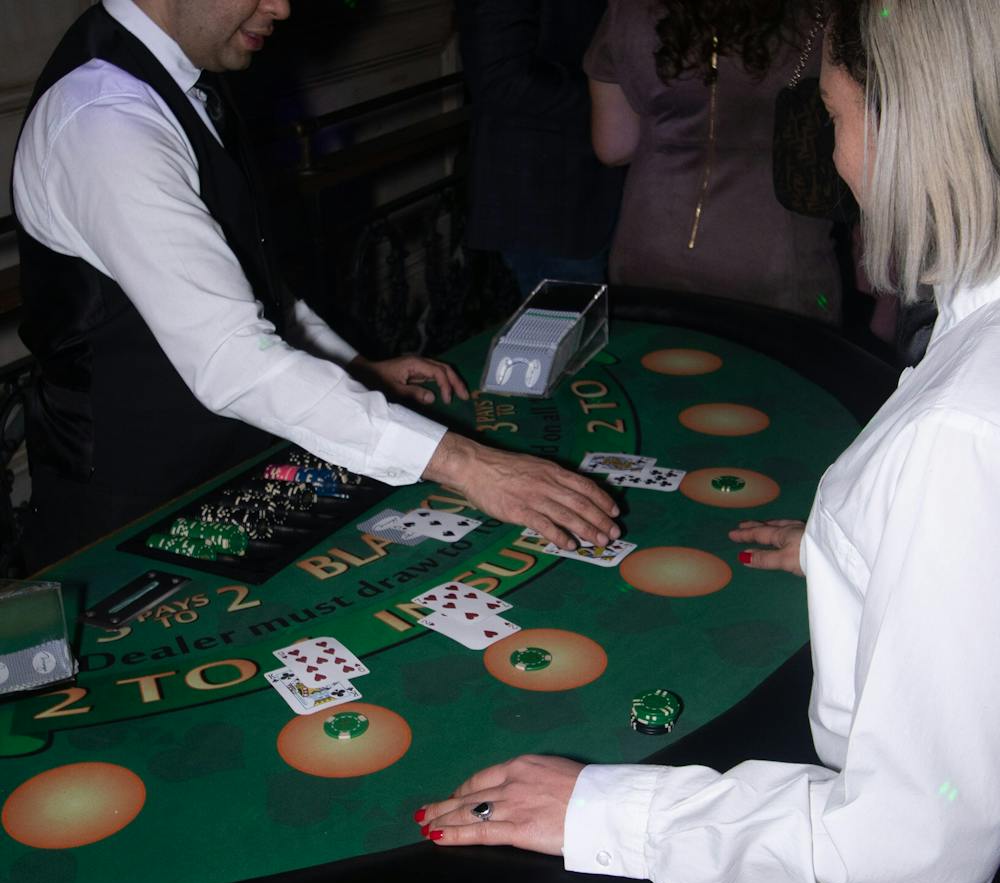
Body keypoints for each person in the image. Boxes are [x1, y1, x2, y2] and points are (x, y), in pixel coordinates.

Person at [417, 1, 1000, 883]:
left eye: (837, 116)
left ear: (915, 127)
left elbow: (910, 846)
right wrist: (853, 552)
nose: (837, 160)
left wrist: (601, 812)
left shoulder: (958, 433)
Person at [11, 0, 619, 570]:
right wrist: (467, 464)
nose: (282, 7)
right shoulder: (104, 121)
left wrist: (353, 364)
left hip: (223, 485)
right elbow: (231, 359)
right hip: (128, 522)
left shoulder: (178, 72)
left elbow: (238, 275)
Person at [585, 0, 842, 323]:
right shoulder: (821, 13)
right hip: (777, 254)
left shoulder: (630, 10)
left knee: (651, 366)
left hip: (651, 247)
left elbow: (613, 145)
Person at [455, 0, 625, 298]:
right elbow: (501, 80)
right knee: (568, 339)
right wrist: (622, 99)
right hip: (549, 202)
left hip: (603, 190)